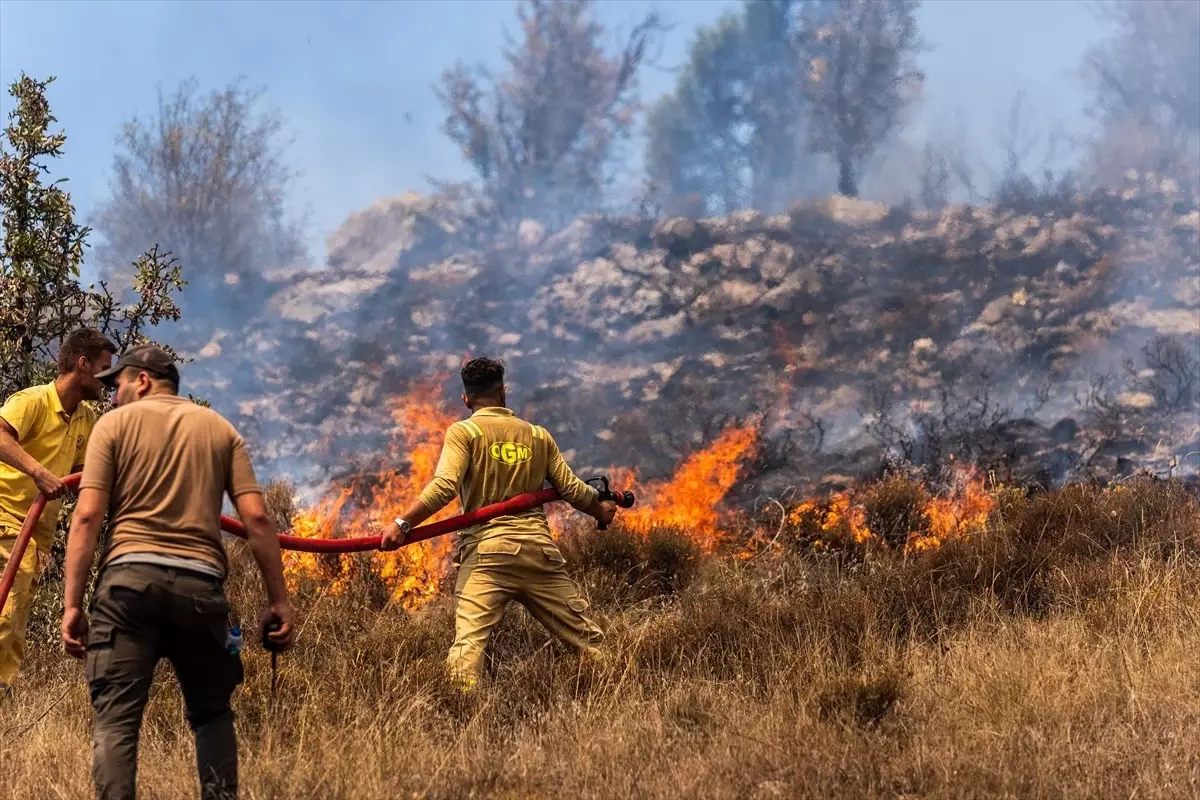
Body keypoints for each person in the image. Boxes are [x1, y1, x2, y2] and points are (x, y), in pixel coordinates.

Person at [60, 344, 295, 800]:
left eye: (119, 384)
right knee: (212, 713)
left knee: (116, 721)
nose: (112, 397)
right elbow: (259, 521)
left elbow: (87, 517)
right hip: (200, 588)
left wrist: (72, 605)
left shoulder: (113, 427)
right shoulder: (220, 430)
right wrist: (278, 601)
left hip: (127, 588)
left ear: (143, 381)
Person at [380, 357, 617, 689]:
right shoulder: (538, 435)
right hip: (539, 555)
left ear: (466, 399)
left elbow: (445, 486)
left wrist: (402, 524)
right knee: (591, 643)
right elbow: (573, 489)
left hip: (488, 556)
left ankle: (462, 714)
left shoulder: (465, 431)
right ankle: (623, 693)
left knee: (467, 652)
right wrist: (601, 510)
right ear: (503, 393)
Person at [0, 328, 116, 694]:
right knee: (7, 611)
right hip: (5, 518)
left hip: (34, 536)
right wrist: (37, 472)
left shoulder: (86, 419)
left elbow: (88, 478)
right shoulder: (31, 401)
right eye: (103, 368)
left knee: (14, 617)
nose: (108, 379)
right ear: (82, 365)